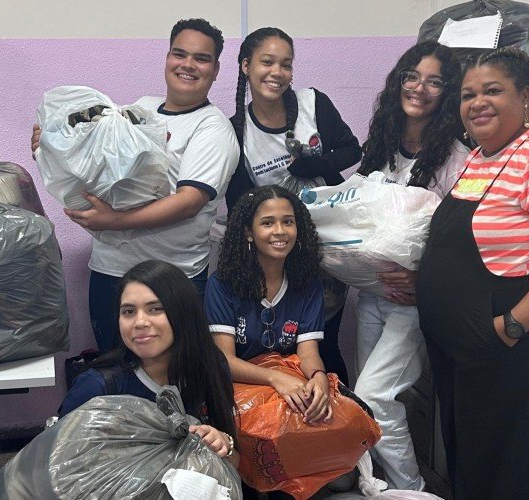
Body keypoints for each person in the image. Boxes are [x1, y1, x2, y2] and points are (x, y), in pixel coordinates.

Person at [417, 47, 529, 499]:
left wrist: (511, 327)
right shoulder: (480, 158)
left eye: (492, 90)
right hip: (464, 352)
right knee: (473, 462)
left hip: (512, 348)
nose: (477, 102)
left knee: (508, 467)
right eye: (468, 95)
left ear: (525, 96)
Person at [32, 18, 239, 352]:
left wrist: (116, 222)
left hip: (172, 281)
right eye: (179, 54)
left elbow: (190, 200)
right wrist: (53, 149)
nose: (187, 64)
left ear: (216, 70)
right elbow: (95, 168)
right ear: (167, 58)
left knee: (171, 388)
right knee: (115, 380)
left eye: (201, 58)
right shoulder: (139, 109)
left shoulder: (213, 129)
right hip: (110, 272)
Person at [351, 40, 469, 491]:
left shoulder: (457, 160)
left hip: (414, 304)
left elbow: (464, 244)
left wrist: (424, 282)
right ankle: (376, 484)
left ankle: (412, 490)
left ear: (447, 94)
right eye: (412, 76)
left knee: (374, 395)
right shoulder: (382, 146)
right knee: (368, 401)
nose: (420, 88)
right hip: (371, 294)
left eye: (435, 81)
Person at [225, 27, 362, 385]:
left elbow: (352, 150)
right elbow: (240, 203)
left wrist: (310, 166)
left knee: (323, 343)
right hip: (280, 251)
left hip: (330, 243)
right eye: (267, 62)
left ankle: (338, 424)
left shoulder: (313, 103)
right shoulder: (237, 131)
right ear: (245, 66)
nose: (277, 72)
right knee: (280, 347)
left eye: (286, 65)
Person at [206, 185, 330, 499]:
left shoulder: (307, 284)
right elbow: (225, 361)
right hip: (238, 388)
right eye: (267, 223)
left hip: (285, 387)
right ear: (249, 233)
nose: (280, 231)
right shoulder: (222, 284)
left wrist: (319, 379)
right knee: (250, 473)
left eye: (288, 222)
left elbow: (308, 351)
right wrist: (277, 379)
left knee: (319, 415)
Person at [59, 260, 238, 464]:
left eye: (155, 309)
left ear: (183, 313)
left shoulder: (212, 367)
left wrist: (224, 445)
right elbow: (58, 472)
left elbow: (234, 466)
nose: (140, 322)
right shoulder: (97, 388)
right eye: (128, 311)